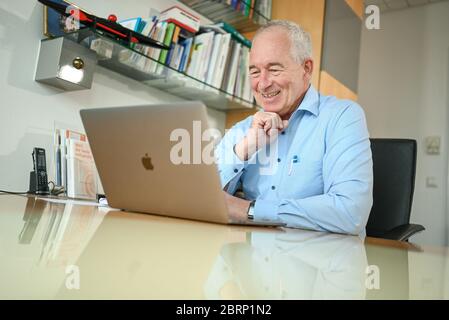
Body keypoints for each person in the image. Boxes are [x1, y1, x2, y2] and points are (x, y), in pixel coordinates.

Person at [215, 20, 373, 236]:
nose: (262, 83)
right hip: (253, 257)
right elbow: (205, 201)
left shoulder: (343, 116)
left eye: (274, 69)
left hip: (321, 260)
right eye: (254, 71)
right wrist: (244, 149)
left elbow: (350, 212)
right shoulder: (245, 129)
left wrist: (249, 210)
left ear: (306, 69)